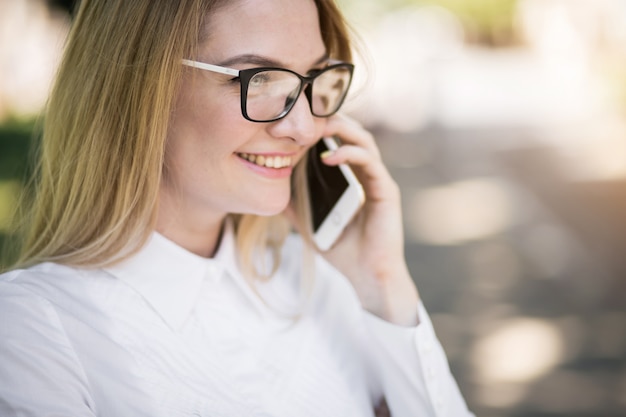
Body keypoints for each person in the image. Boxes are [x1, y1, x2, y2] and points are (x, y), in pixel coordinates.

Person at [0, 0, 474, 416]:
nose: (305, 128)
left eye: (315, 79)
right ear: (142, 83)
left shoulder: (323, 281)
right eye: (261, 79)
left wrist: (383, 284)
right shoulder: (34, 332)